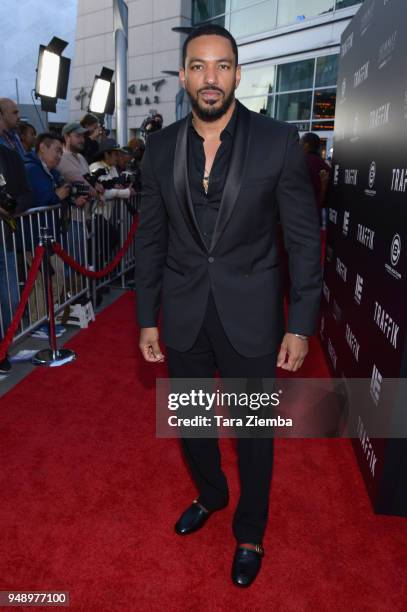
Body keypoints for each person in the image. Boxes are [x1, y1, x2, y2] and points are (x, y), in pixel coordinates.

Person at [134, 25, 322, 588]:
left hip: (254, 312)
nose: (210, 78)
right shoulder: (161, 148)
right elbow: (150, 238)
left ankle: (250, 531)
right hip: (185, 310)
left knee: (253, 433)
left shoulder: (277, 141)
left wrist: (301, 322)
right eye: (198, 66)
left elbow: (304, 239)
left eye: (221, 67)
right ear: (185, 76)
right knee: (191, 423)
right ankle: (211, 494)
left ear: (238, 74)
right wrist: (147, 315)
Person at [0, 109, 32, 374]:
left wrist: (10, 209)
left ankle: (2, 349)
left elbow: (25, 194)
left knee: (9, 298)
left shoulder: (10, 156)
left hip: (5, 238)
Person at [300, 132, 331, 228]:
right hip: (316, 217)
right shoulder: (325, 166)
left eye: (300, 142)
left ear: (306, 145)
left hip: (298, 215)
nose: (298, 145)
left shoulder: (298, 162)